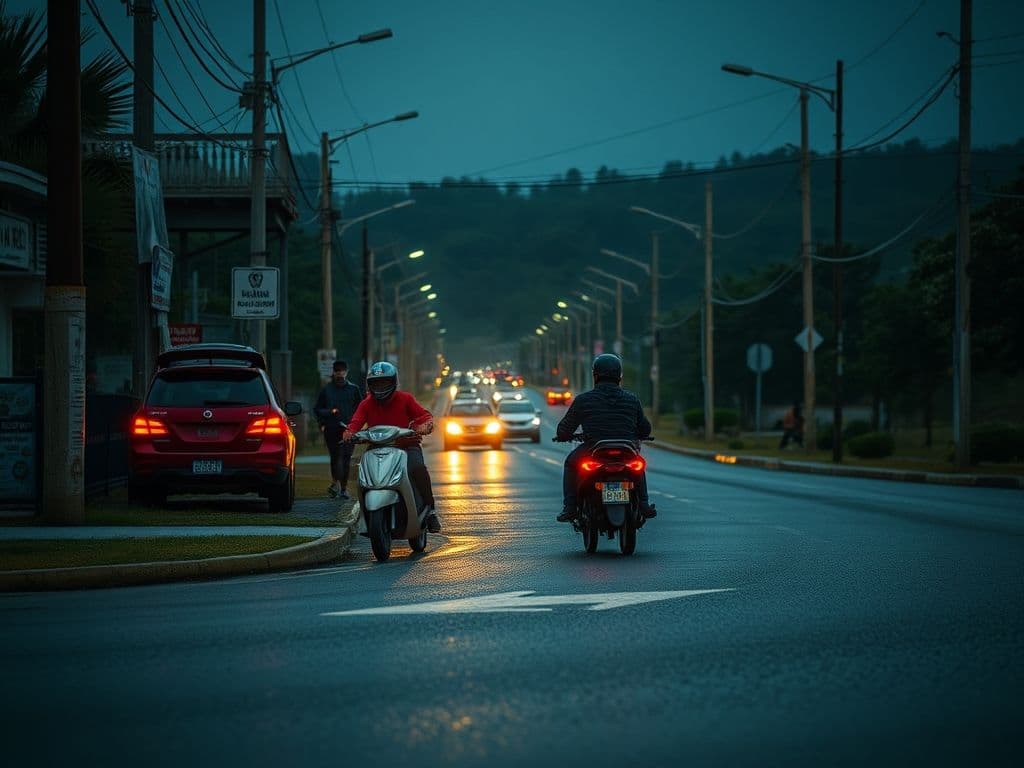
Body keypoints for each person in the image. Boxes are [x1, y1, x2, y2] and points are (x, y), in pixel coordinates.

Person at [555, 353, 656, 522]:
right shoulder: (632, 399)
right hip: (626, 449)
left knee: (570, 463)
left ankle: (570, 507)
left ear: (595, 375)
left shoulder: (583, 400)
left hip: (593, 448)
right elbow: (645, 429)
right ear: (619, 376)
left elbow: (564, 430)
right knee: (638, 466)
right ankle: (644, 505)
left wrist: (566, 436)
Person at [342, 361, 442, 533]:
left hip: (406, 447)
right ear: (370, 385)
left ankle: (430, 510)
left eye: (384, 383)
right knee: (362, 474)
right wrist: (349, 433)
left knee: (417, 467)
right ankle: (366, 517)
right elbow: (355, 422)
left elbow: (424, 416)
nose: (380, 387)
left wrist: (423, 426)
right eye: (376, 383)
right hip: (376, 449)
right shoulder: (366, 403)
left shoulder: (405, 399)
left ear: (393, 382)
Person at [314, 360, 364, 499]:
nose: (340, 373)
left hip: (349, 429)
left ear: (346, 372)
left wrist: (357, 425)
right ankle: (335, 483)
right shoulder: (327, 390)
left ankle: (343, 488)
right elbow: (317, 409)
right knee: (335, 457)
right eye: (337, 371)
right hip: (332, 429)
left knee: (346, 458)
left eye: (342, 371)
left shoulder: (354, 389)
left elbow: (362, 409)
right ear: (333, 372)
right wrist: (330, 412)